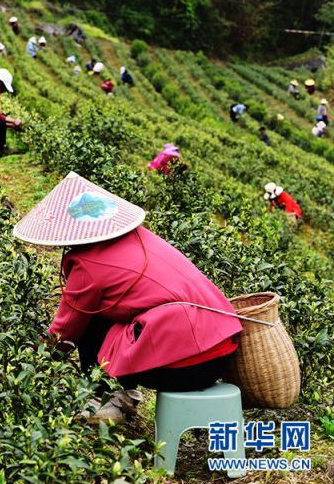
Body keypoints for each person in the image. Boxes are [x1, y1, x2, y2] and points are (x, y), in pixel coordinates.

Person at [13, 172, 242, 422]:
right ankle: (123, 397)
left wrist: (28, 364)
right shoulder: (140, 237)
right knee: (110, 317)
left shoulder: (87, 265)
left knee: (89, 322)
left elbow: (64, 334)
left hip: (184, 366)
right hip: (221, 354)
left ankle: (103, 400)